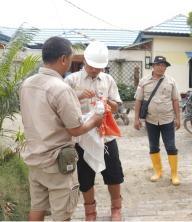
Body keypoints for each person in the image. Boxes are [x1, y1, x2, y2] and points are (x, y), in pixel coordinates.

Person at [19, 36, 103, 221]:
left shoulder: (27, 84)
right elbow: (76, 128)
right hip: (57, 165)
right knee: (62, 215)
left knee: (37, 208)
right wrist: (96, 119)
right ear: (64, 59)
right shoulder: (61, 88)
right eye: (71, 59)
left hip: (35, 160)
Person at [64, 41, 124, 221]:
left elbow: (116, 107)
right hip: (82, 137)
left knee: (114, 175)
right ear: (84, 61)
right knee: (85, 178)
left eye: (99, 68)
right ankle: (90, 212)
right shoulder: (72, 80)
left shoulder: (108, 80)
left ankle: (116, 208)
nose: (95, 71)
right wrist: (78, 96)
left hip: (105, 136)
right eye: (91, 67)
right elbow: (62, 107)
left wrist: (108, 103)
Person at [134, 56, 181, 185]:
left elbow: (175, 100)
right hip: (151, 120)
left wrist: (178, 118)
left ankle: (174, 174)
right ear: (153, 66)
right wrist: (136, 119)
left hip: (167, 120)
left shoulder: (171, 81)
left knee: (171, 147)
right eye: (159, 65)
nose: (161, 67)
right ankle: (158, 172)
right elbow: (138, 100)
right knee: (153, 146)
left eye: (164, 65)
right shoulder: (144, 81)